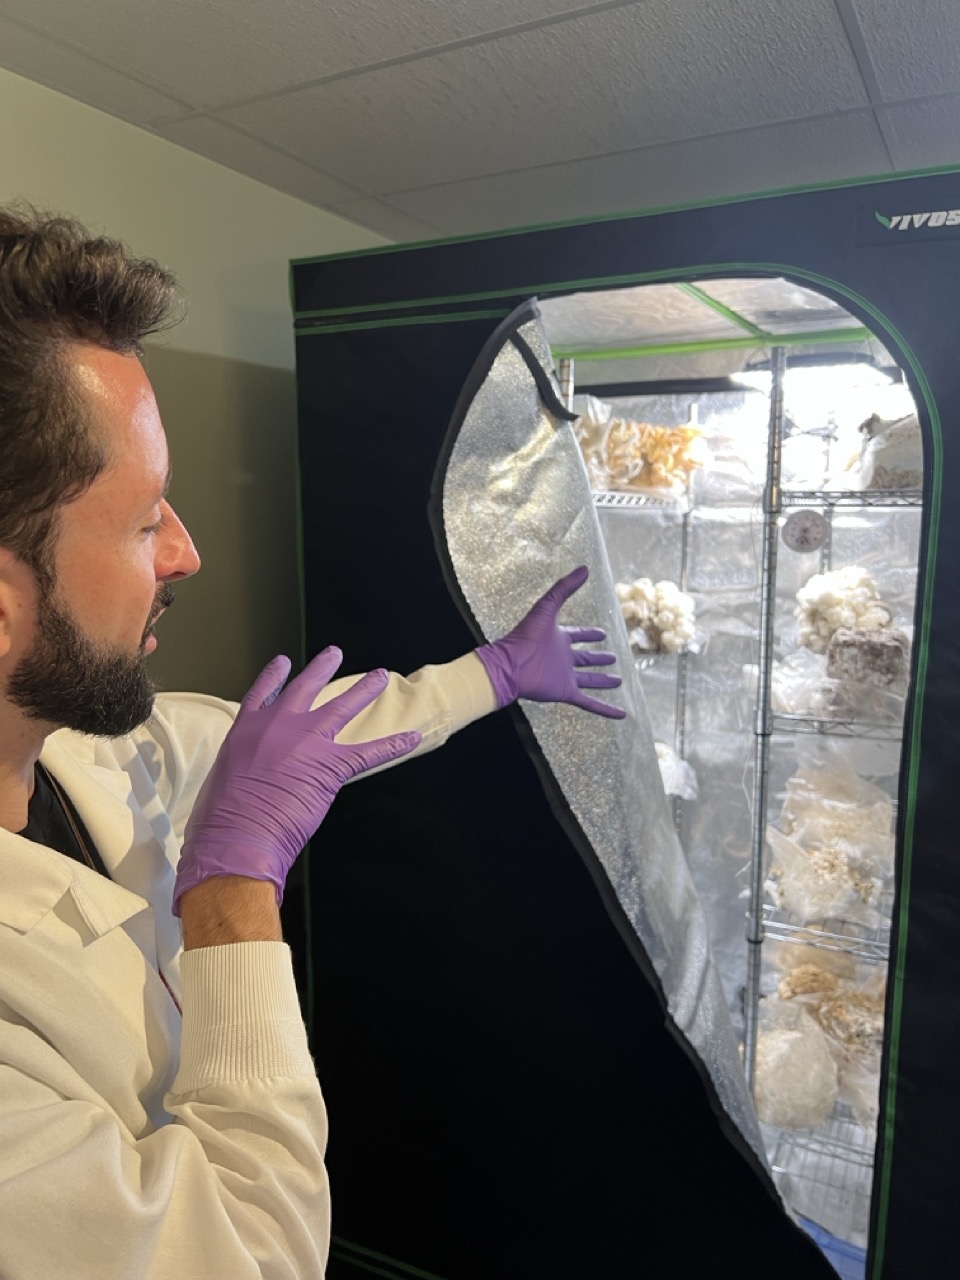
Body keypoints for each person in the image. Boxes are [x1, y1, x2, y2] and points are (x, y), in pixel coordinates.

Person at [0, 207, 625, 1278]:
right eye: (148, 519)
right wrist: (236, 887)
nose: (188, 553)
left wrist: (497, 673)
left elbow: (322, 740)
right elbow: (248, 1251)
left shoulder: (97, 746)